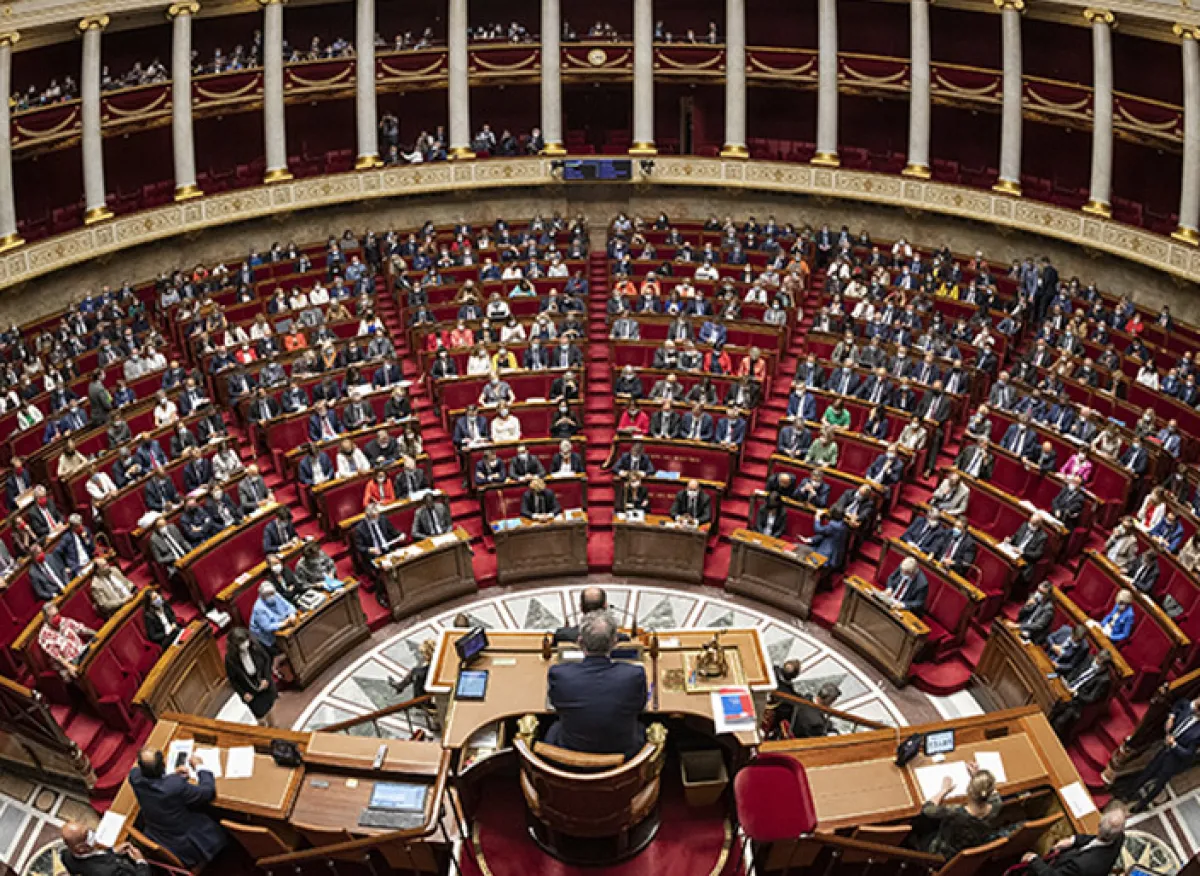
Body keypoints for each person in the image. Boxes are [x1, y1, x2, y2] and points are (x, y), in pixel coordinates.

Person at [546, 611, 646, 758]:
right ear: (615, 642)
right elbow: (640, 706)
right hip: (624, 755)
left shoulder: (560, 675)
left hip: (570, 753)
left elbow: (554, 704)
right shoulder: (634, 674)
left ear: (580, 642)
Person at [128, 746, 227, 867]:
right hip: (184, 842)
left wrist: (172, 777)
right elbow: (207, 792)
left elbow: (154, 784)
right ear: (163, 765)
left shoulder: (134, 778)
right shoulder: (175, 786)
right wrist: (200, 767)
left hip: (159, 833)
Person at [920, 767, 1001, 859]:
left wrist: (943, 790)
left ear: (968, 790)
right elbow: (993, 792)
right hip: (970, 849)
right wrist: (979, 778)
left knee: (920, 826)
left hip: (943, 853)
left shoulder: (954, 812)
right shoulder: (996, 805)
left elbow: (927, 809)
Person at [1019, 807, 1126, 875]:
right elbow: (1097, 839)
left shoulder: (1082, 865)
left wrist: (1034, 859)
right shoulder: (1119, 837)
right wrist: (1074, 840)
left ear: (1099, 825)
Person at [1049, 649, 1113, 740]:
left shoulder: (1104, 680)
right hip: (1066, 688)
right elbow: (1076, 670)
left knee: (1059, 722)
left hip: (1076, 703)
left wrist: (1076, 694)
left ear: (1105, 666)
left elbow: (1091, 698)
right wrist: (1068, 681)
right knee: (1049, 699)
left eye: (1099, 664)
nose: (1095, 663)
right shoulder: (1089, 659)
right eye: (1096, 660)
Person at [225, 626, 278, 727]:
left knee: (270, 710)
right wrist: (243, 694)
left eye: (245, 640)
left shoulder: (255, 646)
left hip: (264, 684)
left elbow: (267, 659)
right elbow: (233, 680)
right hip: (250, 691)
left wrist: (266, 678)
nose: (245, 644)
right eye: (241, 643)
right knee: (261, 718)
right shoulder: (230, 659)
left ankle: (274, 729)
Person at [60, 820, 149, 876]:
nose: (92, 833)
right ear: (80, 849)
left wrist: (112, 852)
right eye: (87, 835)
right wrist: (141, 862)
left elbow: (95, 857)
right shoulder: (108, 872)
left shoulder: (65, 855)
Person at [37, 604, 95, 679]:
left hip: (82, 650)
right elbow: (57, 657)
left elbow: (82, 629)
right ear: (46, 619)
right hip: (71, 662)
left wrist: (97, 634)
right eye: (53, 616)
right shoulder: (44, 636)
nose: (57, 618)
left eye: (57, 614)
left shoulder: (64, 621)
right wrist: (70, 667)